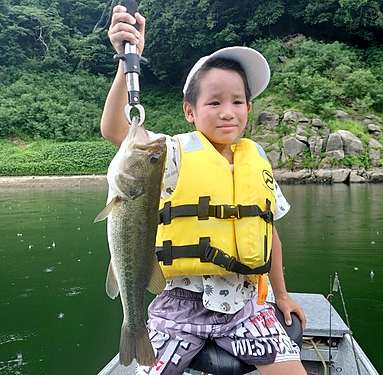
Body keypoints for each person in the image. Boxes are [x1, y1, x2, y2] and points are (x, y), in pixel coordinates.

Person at [101, 5, 307, 375]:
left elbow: (269, 235)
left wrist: (281, 294)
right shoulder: (172, 153)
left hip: (246, 310)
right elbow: (117, 130)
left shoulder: (255, 160)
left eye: (237, 102)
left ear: (248, 107)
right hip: (177, 309)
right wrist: (125, 59)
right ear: (189, 111)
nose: (227, 112)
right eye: (214, 102)